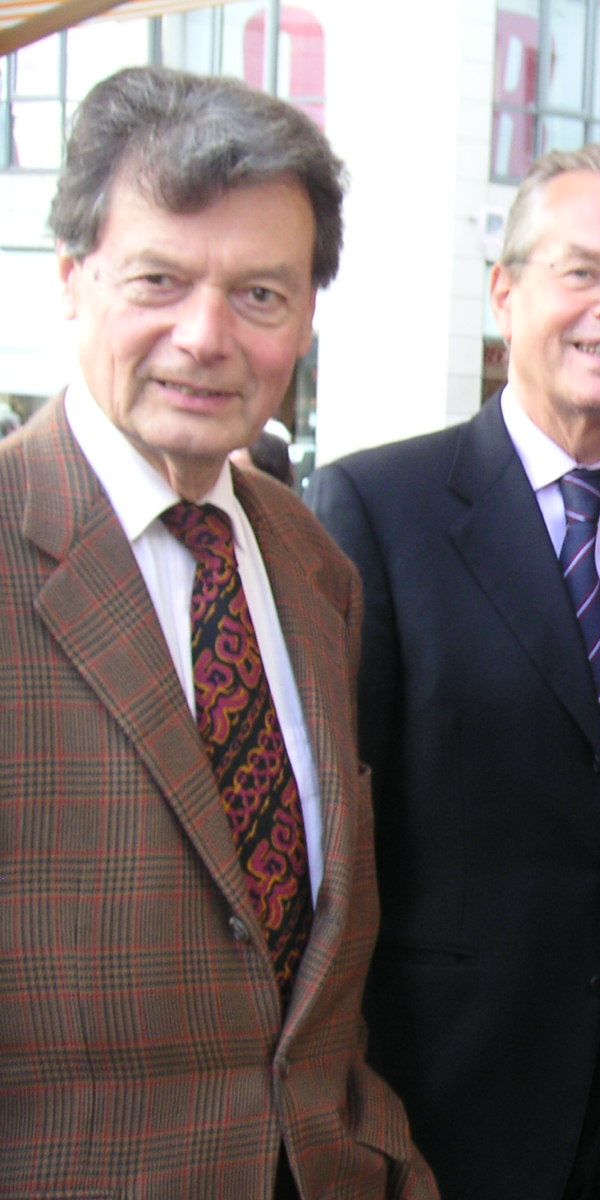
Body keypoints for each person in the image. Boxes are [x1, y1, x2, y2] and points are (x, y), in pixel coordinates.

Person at [306, 145, 600, 1200]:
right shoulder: (377, 511)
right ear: (505, 293)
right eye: (584, 272)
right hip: (442, 1108)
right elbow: (340, 843)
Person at [0, 66, 435, 1197]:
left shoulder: (311, 567)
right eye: (159, 280)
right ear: (71, 280)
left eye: (259, 295)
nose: (205, 337)